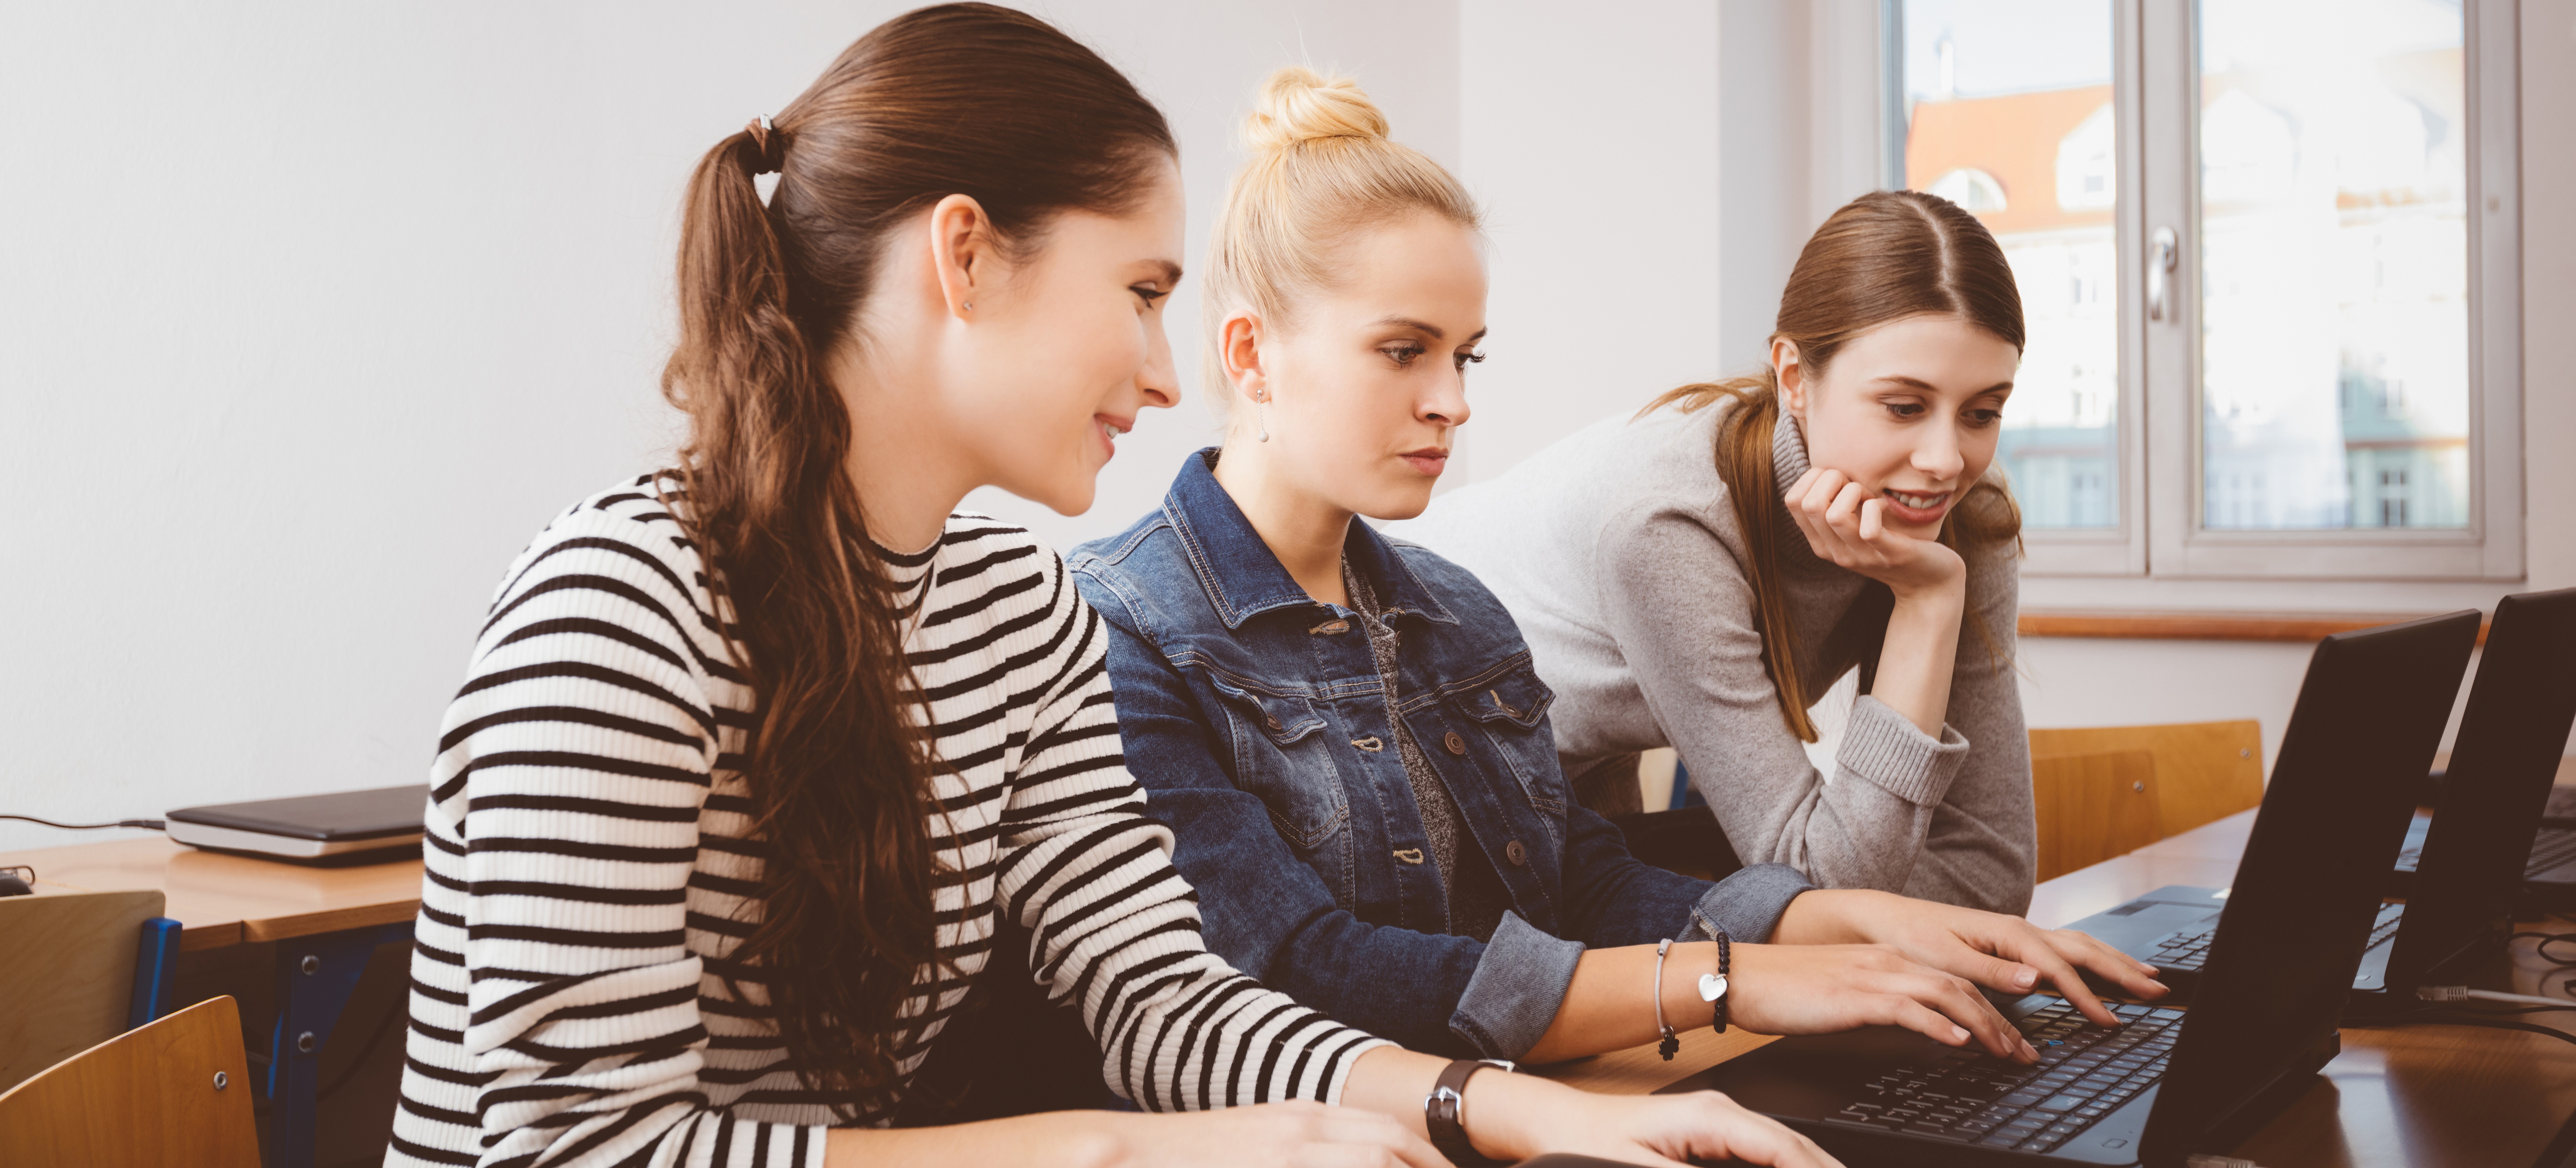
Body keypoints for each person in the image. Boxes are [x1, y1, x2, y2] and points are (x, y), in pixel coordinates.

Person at [387, 8, 1843, 1167]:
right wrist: (1125, 1149)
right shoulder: (616, 610)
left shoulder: (1018, 611)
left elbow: (1166, 999)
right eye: (1140, 293)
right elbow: (582, 1149)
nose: (1165, 372)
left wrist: (1524, 1111)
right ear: (964, 255)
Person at [1070, 70, 2162, 1078]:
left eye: (1468, 355)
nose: (1455, 401)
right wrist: (1735, 974)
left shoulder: (1451, 606)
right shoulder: (1120, 627)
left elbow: (1580, 877)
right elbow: (1309, 971)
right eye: (1406, 351)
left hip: (1496, 1088)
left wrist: (1849, 926)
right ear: (1253, 354)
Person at [1400, 190, 2042, 915]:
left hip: (1579, 777)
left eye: (1982, 412)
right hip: (1419, 763)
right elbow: (1825, 891)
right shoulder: (1669, 522)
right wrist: (1925, 608)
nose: (1944, 459)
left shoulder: (1963, 511)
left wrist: (1844, 907)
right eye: (1903, 406)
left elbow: (1991, 875)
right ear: (1794, 379)